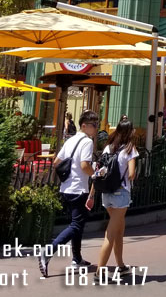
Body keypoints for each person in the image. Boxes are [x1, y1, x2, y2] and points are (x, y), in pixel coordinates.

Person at [38, 109, 98, 277]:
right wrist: (96, 173)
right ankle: (49, 251)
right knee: (76, 225)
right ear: (84, 125)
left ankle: (77, 258)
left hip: (66, 188)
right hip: (79, 188)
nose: (96, 128)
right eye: (94, 125)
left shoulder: (70, 140)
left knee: (77, 223)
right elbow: (85, 165)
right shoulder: (86, 142)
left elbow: (57, 161)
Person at [90, 116, 138, 282]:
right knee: (110, 234)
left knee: (119, 230)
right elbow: (131, 174)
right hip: (120, 193)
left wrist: (91, 194)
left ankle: (121, 265)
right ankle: (99, 270)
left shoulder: (108, 148)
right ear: (129, 132)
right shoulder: (130, 149)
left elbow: (99, 172)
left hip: (106, 193)